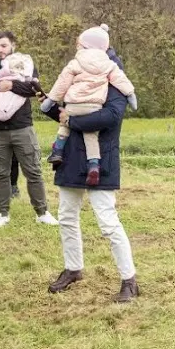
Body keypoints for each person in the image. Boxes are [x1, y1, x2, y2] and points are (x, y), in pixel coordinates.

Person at [42, 60, 139, 302]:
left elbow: (111, 116)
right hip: (71, 156)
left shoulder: (115, 82)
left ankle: (129, 280)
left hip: (101, 159)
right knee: (66, 216)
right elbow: (62, 111)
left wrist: (71, 121)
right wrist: (47, 102)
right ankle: (73, 269)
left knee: (108, 222)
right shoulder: (75, 75)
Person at [0, 31, 56, 228]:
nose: (0, 50)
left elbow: (35, 89)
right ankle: (2, 213)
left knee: (33, 171)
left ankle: (42, 212)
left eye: (4, 46)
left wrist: (11, 85)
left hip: (22, 127)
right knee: (1, 173)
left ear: (13, 46)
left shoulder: (24, 64)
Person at [45, 26, 137, 187]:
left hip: (75, 112)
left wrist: (51, 100)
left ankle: (57, 150)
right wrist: (131, 94)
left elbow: (112, 116)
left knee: (63, 128)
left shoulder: (75, 63)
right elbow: (122, 82)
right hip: (93, 108)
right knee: (90, 137)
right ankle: (93, 164)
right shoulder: (110, 67)